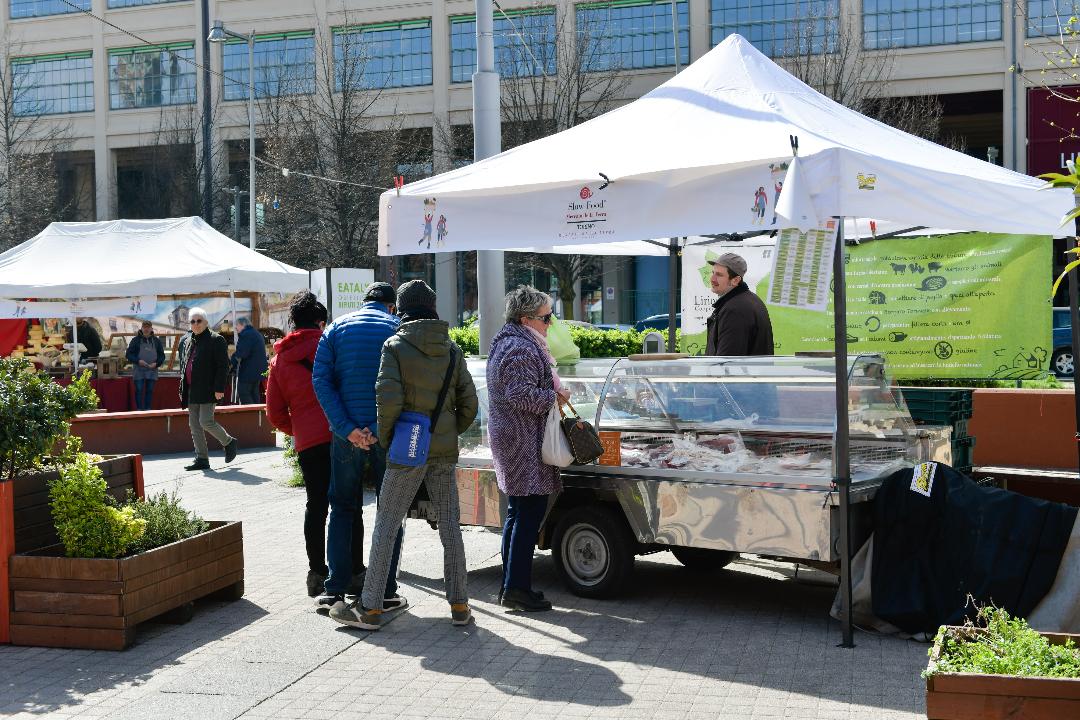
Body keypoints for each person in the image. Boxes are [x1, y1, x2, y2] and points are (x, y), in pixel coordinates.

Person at [331, 280, 478, 630]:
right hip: (442, 452)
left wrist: (388, 439)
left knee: (386, 525)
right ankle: (459, 606)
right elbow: (470, 404)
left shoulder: (395, 346)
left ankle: (370, 608)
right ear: (433, 308)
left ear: (400, 309)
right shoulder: (453, 350)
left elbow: (387, 400)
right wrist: (444, 433)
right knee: (450, 529)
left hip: (405, 451)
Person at [312, 282, 406, 614]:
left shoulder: (336, 328)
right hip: (388, 435)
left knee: (341, 507)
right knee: (390, 511)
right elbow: (405, 387)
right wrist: (379, 430)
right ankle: (386, 590)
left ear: (364, 302)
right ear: (391, 306)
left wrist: (347, 429)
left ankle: (334, 590)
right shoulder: (398, 329)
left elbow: (320, 380)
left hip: (345, 436)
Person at [487, 286, 569, 612]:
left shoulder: (509, 342)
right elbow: (521, 396)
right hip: (522, 444)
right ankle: (517, 588)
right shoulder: (520, 349)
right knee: (527, 516)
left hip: (515, 441)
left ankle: (512, 585)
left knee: (518, 513)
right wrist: (556, 398)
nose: (551, 324)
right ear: (526, 319)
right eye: (546, 318)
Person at [265, 291, 350, 598]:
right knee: (346, 503)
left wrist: (298, 428)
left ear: (293, 322)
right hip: (341, 436)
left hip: (308, 442)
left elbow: (274, 413)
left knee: (316, 505)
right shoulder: (333, 346)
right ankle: (352, 571)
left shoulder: (279, 360)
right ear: (320, 321)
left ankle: (317, 573)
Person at [178, 307, 238, 471]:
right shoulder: (187, 340)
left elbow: (223, 365)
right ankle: (202, 459)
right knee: (194, 425)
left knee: (205, 421)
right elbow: (184, 364)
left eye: (199, 321)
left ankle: (228, 442)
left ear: (205, 322)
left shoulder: (216, 339)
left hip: (208, 389)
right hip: (191, 389)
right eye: (192, 321)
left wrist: (219, 388)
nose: (195, 324)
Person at [705, 252, 774, 356]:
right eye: (713, 272)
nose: (712, 279)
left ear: (735, 280)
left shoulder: (734, 310)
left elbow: (727, 363)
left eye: (719, 275)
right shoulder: (747, 300)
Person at [126, 320, 165, 411]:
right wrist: (138, 361)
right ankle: (139, 410)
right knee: (139, 391)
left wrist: (156, 363)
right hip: (139, 370)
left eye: (148, 327)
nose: (146, 329)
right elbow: (128, 354)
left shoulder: (156, 341)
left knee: (149, 391)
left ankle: (148, 410)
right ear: (142, 328)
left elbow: (162, 355)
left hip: (152, 370)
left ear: (151, 328)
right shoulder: (135, 340)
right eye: (144, 327)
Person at [231, 317, 269, 404]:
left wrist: (231, 362)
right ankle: (257, 415)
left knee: (244, 392)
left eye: (237, 325)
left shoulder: (246, 334)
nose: (236, 328)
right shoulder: (256, 333)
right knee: (254, 393)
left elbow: (242, 353)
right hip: (257, 370)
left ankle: (251, 415)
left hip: (249, 371)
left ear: (243, 325)